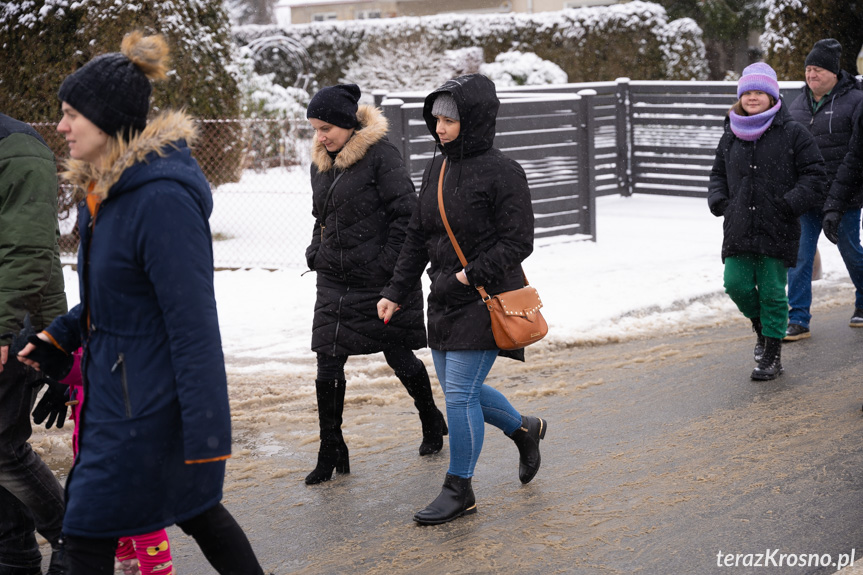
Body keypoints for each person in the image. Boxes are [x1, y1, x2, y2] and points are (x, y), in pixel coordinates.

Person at [17, 32, 264, 575]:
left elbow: (193, 320)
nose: (60, 127)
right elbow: (116, 297)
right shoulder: (107, 194)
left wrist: (206, 428)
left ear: (105, 120)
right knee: (195, 512)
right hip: (117, 394)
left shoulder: (161, 200)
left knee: (86, 533)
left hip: (147, 406)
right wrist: (61, 336)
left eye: (70, 114)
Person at [377, 74, 548, 526]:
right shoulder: (437, 166)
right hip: (442, 298)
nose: (440, 128)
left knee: (459, 395)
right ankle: (525, 428)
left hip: (486, 296)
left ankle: (460, 489)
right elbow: (417, 234)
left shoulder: (504, 171)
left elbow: (518, 242)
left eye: (450, 119)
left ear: (474, 119)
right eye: (436, 119)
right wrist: (396, 291)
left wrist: (469, 275)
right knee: (461, 390)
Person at [303, 83, 446, 485]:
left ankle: (430, 417)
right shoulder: (322, 161)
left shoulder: (381, 155)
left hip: (380, 280)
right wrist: (316, 252)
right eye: (315, 128)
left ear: (349, 124)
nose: (321, 136)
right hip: (334, 278)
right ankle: (330, 446)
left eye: (327, 127)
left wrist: (387, 269)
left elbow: (408, 217)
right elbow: (321, 216)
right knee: (327, 358)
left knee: (398, 355)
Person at [708, 63, 826, 380]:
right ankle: (762, 329)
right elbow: (718, 174)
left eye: (759, 91)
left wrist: (789, 204)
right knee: (736, 284)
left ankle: (772, 354)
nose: (753, 97)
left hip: (779, 225)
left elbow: (815, 175)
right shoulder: (730, 133)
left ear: (772, 96)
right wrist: (719, 200)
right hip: (739, 226)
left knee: (773, 290)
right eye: (747, 92)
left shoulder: (793, 132)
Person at [0, 113, 68, 574]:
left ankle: (80, 538)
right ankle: (16, 558)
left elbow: (33, 252)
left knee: (2, 449)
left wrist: (56, 339)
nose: (65, 125)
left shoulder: (17, 146)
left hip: (7, 320)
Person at [57, 350, 174, 575]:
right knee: (102, 496)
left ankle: (156, 570)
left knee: (138, 504)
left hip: (122, 408)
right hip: (89, 406)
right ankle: (128, 559)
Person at [785, 39, 863, 340]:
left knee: (851, 252)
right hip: (807, 198)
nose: (811, 74)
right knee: (800, 256)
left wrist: (837, 200)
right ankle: (799, 318)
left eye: (817, 69)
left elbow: (856, 158)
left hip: (845, 196)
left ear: (833, 72)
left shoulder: (855, 101)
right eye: (808, 69)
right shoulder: (798, 103)